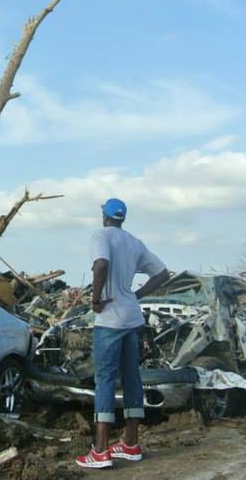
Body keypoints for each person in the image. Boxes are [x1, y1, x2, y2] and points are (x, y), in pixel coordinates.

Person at [74, 198, 170, 470]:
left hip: (109, 319)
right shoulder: (134, 242)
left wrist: (95, 299)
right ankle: (130, 443)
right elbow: (163, 273)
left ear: (103, 215)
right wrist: (135, 295)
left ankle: (101, 450)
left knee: (104, 379)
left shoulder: (100, 236)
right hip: (132, 317)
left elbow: (101, 264)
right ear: (122, 218)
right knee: (131, 378)